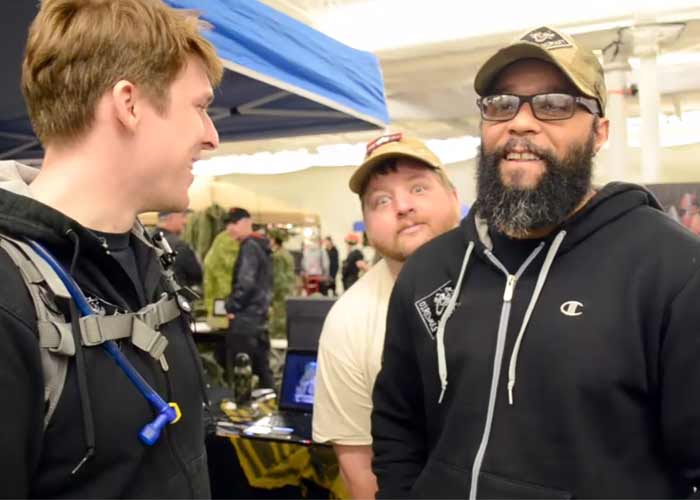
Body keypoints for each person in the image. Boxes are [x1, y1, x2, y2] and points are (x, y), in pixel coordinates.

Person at [371, 26, 700, 499]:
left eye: (555, 104)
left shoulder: (672, 270)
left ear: (599, 132)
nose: (521, 122)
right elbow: (397, 427)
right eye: (501, 104)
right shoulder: (430, 270)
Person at [0, 0, 222, 497]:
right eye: (200, 107)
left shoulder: (150, 260)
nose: (212, 137)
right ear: (129, 104)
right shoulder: (11, 297)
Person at [313, 133, 461, 499]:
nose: (403, 206)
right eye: (381, 200)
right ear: (366, 223)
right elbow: (360, 469)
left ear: (454, 197)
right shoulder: (349, 322)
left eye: (418, 188)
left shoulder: (514, 281)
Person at [224, 207, 274, 389]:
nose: (229, 229)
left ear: (246, 222)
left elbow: (246, 283)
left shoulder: (249, 247)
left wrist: (231, 306)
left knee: (242, 371)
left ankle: (244, 405)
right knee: (262, 368)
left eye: (233, 223)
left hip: (245, 321)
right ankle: (271, 401)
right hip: (258, 318)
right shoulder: (261, 246)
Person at [155, 210, 203, 289]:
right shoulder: (179, 244)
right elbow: (196, 274)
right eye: (181, 217)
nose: (184, 221)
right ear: (171, 218)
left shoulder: (148, 240)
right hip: (178, 291)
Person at [269, 232, 296, 340]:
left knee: (279, 316)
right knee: (284, 314)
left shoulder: (277, 256)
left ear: (275, 240)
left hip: (280, 290)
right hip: (288, 288)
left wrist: (272, 293)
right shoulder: (287, 254)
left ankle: (278, 337)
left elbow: (278, 276)